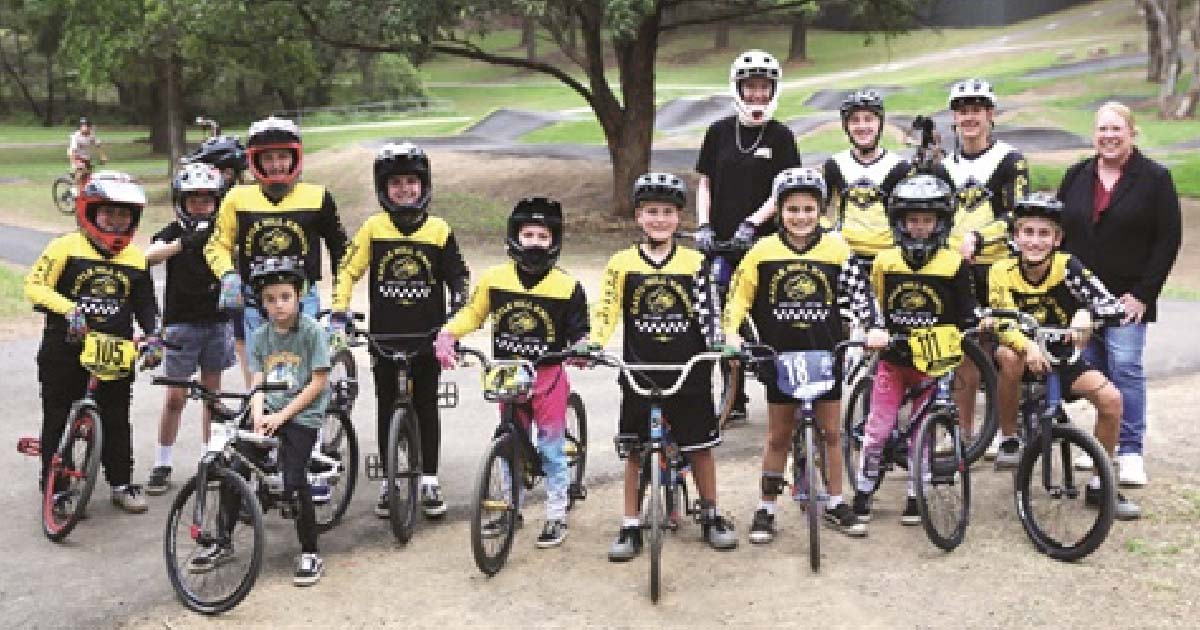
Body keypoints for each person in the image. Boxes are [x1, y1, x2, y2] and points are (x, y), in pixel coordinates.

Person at [723, 167, 888, 541]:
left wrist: (874, 326)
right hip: (780, 357)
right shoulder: (762, 252)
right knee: (778, 436)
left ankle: (834, 501)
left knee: (831, 433)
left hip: (824, 354)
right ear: (779, 210)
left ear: (821, 210)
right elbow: (738, 298)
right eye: (792, 209)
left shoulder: (837, 249)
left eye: (808, 209)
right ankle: (765, 508)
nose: (800, 217)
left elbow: (862, 296)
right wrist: (731, 332)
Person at [591, 172, 736, 560]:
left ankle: (711, 514)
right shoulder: (621, 263)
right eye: (652, 212)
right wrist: (592, 343)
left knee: (701, 447)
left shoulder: (695, 262)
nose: (659, 219)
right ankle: (630, 524)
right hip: (640, 371)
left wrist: (720, 345)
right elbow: (606, 309)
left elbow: (708, 313)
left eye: (668, 212)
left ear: (679, 217)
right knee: (636, 451)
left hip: (687, 371)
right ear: (638, 216)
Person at [434, 197, 589, 549]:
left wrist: (581, 347)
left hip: (548, 377)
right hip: (507, 376)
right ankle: (509, 508)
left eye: (542, 235)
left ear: (555, 241)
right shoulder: (494, 279)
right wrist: (449, 334)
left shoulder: (568, 287)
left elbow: (580, 330)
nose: (534, 241)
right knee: (507, 445)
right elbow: (473, 314)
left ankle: (555, 514)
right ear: (514, 236)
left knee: (551, 450)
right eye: (528, 234)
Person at [332, 142, 469, 519]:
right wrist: (340, 311)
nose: (405, 190)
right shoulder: (373, 229)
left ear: (424, 186)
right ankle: (390, 480)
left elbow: (458, 276)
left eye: (412, 182)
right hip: (384, 338)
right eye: (396, 183)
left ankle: (429, 478)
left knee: (426, 406)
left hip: (427, 338)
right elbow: (348, 270)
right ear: (383, 188)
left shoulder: (439, 230)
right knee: (385, 404)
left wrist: (457, 313)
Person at [984, 193, 1140, 519]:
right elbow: (1002, 322)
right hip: (1021, 351)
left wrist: (1087, 317)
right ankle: (1009, 438)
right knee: (1007, 357)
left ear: (1057, 239)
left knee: (1111, 400)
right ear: (1015, 236)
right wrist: (1027, 347)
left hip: (1061, 358)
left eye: (1044, 234)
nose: (1035, 241)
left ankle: (1101, 484)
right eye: (1028, 232)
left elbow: (1107, 303)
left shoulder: (1067, 266)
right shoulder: (1001, 270)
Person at [1057, 101, 1182, 487]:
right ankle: (1100, 445)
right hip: (1081, 301)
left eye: (1117, 130)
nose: (1109, 137)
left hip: (1128, 300)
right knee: (1092, 372)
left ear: (1132, 133)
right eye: (1102, 130)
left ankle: (1130, 451)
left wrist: (1144, 294)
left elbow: (1168, 240)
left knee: (1125, 368)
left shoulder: (1155, 179)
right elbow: (1057, 232)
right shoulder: (1076, 176)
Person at [25, 171, 163, 514]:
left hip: (114, 350)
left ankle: (121, 482)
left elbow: (146, 304)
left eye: (124, 215)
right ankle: (56, 489)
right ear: (89, 212)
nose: (116, 221)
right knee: (58, 416)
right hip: (65, 347)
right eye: (108, 213)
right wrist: (67, 308)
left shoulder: (135, 258)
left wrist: (154, 336)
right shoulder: (65, 247)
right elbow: (34, 286)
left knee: (117, 417)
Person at [195, 257, 331, 585]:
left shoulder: (312, 332)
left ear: (299, 296)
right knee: (234, 465)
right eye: (270, 299)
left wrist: (283, 416)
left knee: (294, 481)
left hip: (302, 413)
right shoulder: (261, 335)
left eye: (285, 297)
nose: (278, 305)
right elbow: (257, 381)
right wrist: (258, 415)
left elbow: (318, 382)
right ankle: (222, 541)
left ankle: (310, 552)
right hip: (269, 408)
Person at [853, 174, 977, 526]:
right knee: (877, 430)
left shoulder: (954, 264)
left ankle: (915, 492)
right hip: (893, 361)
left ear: (941, 223)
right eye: (913, 220)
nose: (920, 228)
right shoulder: (884, 262)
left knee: (923, 432)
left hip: (932, 364)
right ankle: (864, 488)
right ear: (900, 223)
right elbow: (875, 307)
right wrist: (874, 330)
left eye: (928, 220)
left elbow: (965, 315)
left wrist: (967, 330)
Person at [695, 49, 800, 423]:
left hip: (766, 241)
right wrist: (704, 224)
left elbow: (786, 192)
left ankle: (783, 392)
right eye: (751, 87)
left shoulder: (782, 136)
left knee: (772, 314)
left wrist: (753, 223)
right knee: (722, 312)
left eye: (764, 88)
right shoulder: (719, 132)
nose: (757, 95)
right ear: (738, 88)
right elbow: (705, 183)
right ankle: (733, 396)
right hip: (723, 243)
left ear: (774, 90)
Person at [203, 116, 348, 360]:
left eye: (283, 156)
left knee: (304, 366)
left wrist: (341, 306)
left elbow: (340, 250)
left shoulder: (318, 197)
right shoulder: (237, 199)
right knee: (262, 368)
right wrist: (227, 275)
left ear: (295, 158)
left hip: (303, 295)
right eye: (268, 158)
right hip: (255, 297)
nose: (276, 165)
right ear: (255, 161)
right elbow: (217, 245)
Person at [938, 78, 1029, 453]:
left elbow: (1017, 213)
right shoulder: (943, 167)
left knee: (1005, 349)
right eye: (962, 111)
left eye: (976, 110)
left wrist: (980, 237)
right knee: (965, 350)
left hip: (998, 267)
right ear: (954, 118)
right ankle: (963, 432)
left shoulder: (1010, 160)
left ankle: (1008, 433)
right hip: (959, 270)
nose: (969, 117)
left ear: (990, 115)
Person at [143, 163, 236, 495]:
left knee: (212, 397)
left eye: (207, 200)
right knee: (175, 398)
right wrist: (184, 242)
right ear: (181, 202)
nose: (200, 206)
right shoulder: (173, 232)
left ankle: (209, 459)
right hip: (181, 324)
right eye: (193, 200)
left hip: (217, 321)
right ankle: (162, 462)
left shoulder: (223, 234)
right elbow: (150, 256)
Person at [187, 134, 252, 385]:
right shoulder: (211, 202)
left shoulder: (241, 199)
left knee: (248, 340)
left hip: (244, 279)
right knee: (240, 341)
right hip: (218, 285)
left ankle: (255, 397)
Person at [824, 89, 911, 265]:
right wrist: (828, 232)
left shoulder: (899, 167)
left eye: (869, 119)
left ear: (880, 123)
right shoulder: (835, 164)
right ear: (845, 126)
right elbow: (822, 209)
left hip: (888, 256)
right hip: (846, 256)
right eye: (854, 121)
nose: (862, 127)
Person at [68, 116, 108, 187]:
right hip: (76, 156)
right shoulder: (76, 136)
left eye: (86, 125)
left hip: (86, 157)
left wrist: (103, 156)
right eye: (82, 125)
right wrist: (74, 164)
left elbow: (98, 145)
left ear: (90, 127)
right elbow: (73, 151)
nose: (84, 128)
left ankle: (85, 191)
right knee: (81, 170)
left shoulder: (92, 134)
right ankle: (74, 189)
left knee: (89, 176)